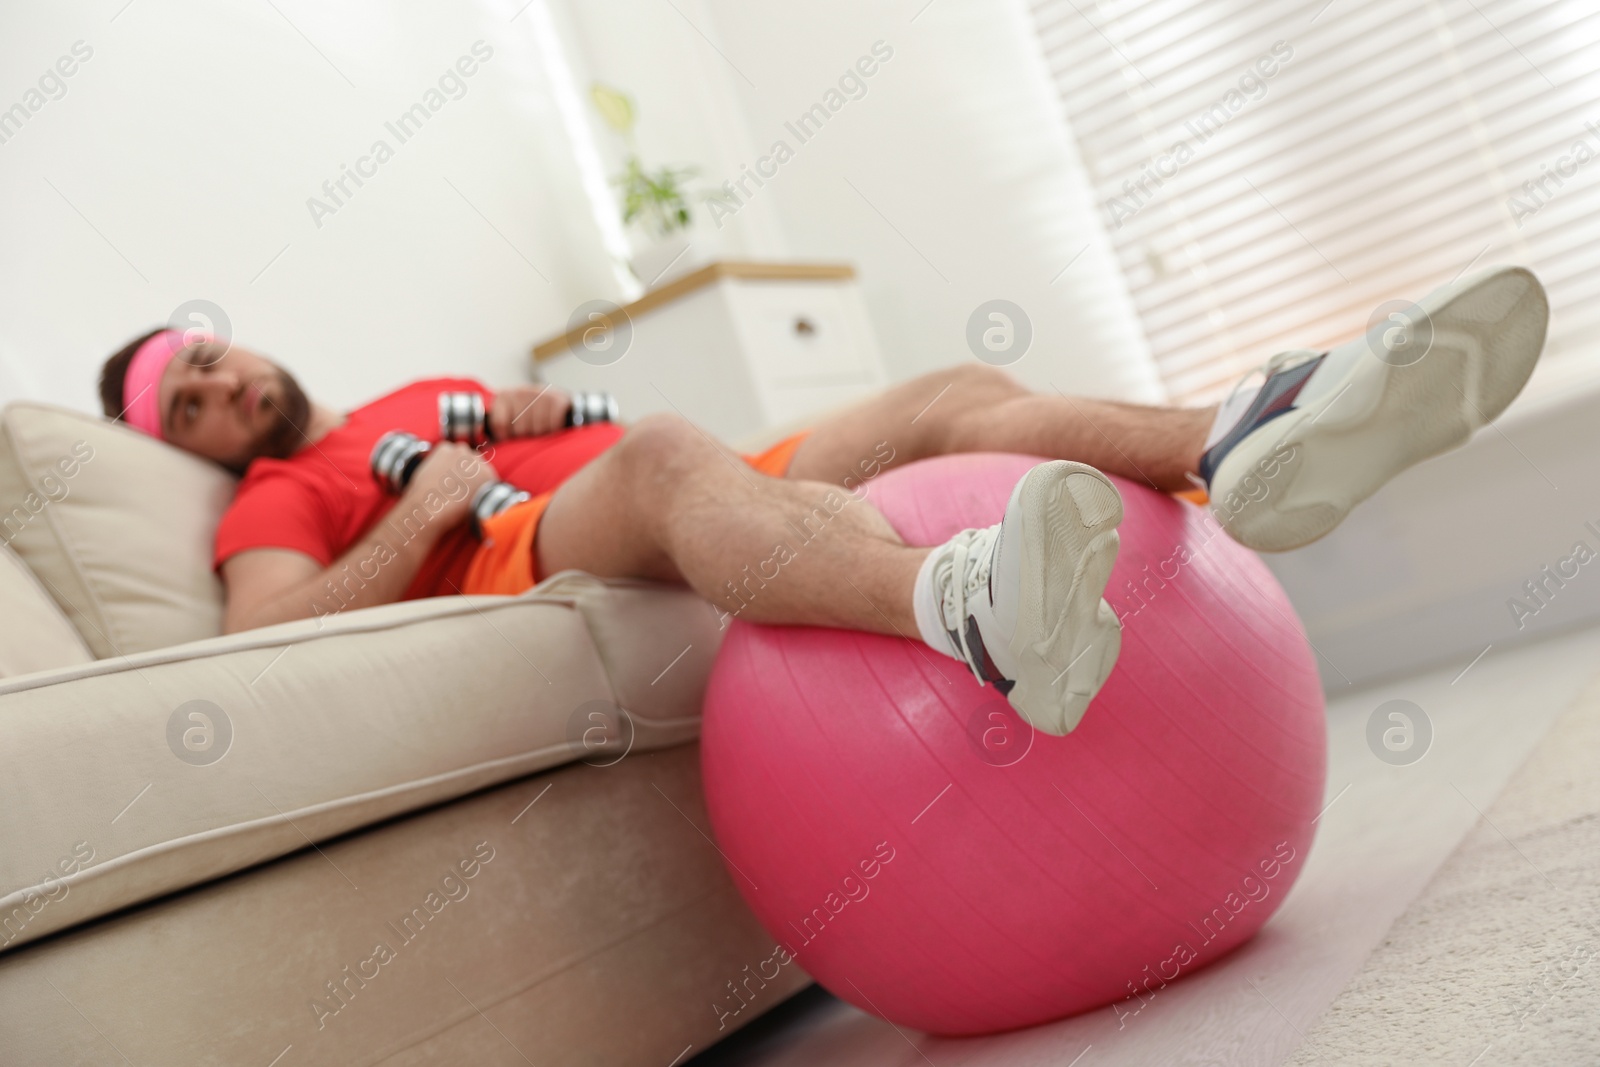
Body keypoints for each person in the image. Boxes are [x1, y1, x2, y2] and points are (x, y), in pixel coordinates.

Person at [97, 266, 1548, 736]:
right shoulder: (273, 498)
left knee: (938, 398)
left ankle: (1241, 439)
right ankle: (970, 614)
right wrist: (422, 518)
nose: (222, 393)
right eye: (189, 407)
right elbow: (251, 647)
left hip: (650, 477)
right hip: (526, 555)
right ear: (198, 443)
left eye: (211, 362)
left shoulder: (414, 393)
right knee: (667, 455)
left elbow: (598, 445)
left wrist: (538, 418)